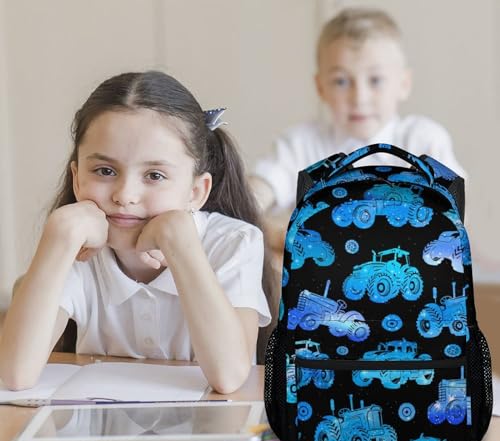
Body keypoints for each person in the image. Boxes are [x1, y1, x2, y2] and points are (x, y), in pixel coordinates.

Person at [0, 71, 274, 394]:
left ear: (196, 192)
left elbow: (229, 376)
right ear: (77, 178)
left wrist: (181, 245)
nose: (125, 195)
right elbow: (15, 374)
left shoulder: (234, 242)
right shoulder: (76, 247)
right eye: (105, 171)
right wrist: (59, 235)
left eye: (154, 175)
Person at [250, 7, 466, 223]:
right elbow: (257, 192)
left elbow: (455, 211)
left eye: (375, 80)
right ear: (320, 88)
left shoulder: (424, 139)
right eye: (341, 81)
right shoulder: (300, 144)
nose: (359, 98)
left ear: (404, 84)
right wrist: (263, 223)